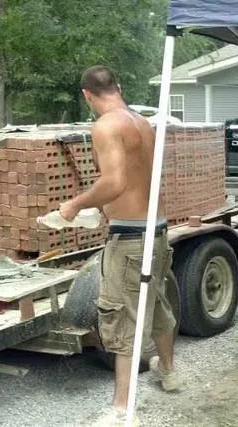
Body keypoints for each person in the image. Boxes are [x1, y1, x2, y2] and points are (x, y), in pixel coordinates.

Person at [60, 65, 182, 427]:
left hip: (130, 238)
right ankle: (170, 373)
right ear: (119, 86)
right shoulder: (142, 123)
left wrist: (75, 204)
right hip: (156, 231)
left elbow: (113, 183)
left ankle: (121, 410)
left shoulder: (105, 125)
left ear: (87, 95)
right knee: (155, 302)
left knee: (122, 317)